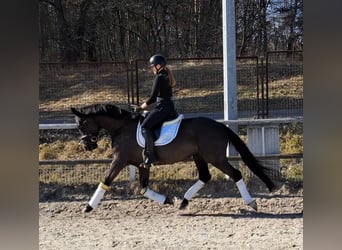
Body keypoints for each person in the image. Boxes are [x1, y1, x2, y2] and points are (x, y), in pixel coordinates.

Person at [139, 54, 176, 167]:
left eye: (152, 66)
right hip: (169, 106)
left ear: (158, 66)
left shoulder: (159, 77)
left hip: (163, 107)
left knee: (145, 127)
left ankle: (151, 156)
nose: (151, 69)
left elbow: (153, 98)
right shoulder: (166, 75)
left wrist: (141, 107)